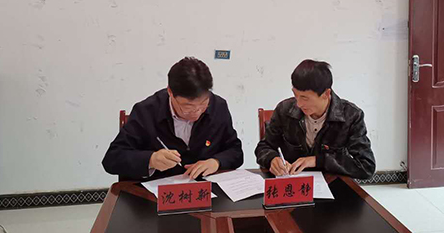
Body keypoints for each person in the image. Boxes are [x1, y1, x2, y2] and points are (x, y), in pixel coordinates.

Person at [103, 57, 243, 180]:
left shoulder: (218, 106)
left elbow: (235, 151)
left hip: (205, 191)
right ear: (170, 92)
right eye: (188, 107)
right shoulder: (146, 111)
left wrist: (216, 162)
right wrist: (151, 160)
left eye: (203, 104)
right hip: (158, 193)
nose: (197, 112)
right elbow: (112, 158)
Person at [255, 59, 376, 179]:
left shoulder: (351, 116)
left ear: (326, 94)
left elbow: (366, 166)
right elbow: (264, 147)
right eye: (295, 95)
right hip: (291, 183)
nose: (299, 104)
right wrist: (271, 159)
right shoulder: (284, 110)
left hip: (332, 185)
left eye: (305, 98)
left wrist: (318, 161)